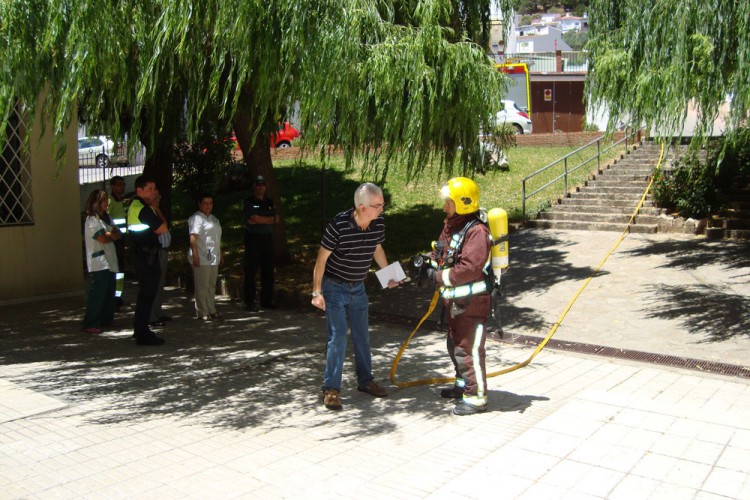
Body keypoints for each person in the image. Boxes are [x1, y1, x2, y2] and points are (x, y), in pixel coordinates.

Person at [312, 182, 400, 411]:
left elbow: (376, 249)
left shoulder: (378, 223)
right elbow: (321, 260)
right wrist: (316, 292)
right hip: (335, 288)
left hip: (358, 287)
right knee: (338, 337)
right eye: (377, 205)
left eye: (382, 204)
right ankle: (331, 389)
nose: (382, 209)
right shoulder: (339, 225)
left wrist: (388, 274)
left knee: (363, 337)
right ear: (362, 207)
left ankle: (366, 381)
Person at [427, 177, 492, 416]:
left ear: (462, 203)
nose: (445, 205)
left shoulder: (476, 231)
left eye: (449, 201)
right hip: (456, 302)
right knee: (454, 345)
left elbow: (469, 268)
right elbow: (441, 252)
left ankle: (476, 398)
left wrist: (438, 277)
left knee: (469, 349)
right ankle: (463, 386)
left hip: (472, 303)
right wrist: (428, 264)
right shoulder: (452, 226)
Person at [127, 175, 168, 346]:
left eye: (154, 188)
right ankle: (143, 333)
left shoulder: (140, 206)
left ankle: (140, 329)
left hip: (144, 256)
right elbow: (163, 228)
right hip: (146, 257)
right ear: (139, 190)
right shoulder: (142, 208)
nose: (153, 192)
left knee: (145, 294)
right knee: (147, 295)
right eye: (149, 189)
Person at [82, 189, 122, 334]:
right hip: (99, 262)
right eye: (104, 200)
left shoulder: (107, 218)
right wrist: (112, 235)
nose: (107, 203)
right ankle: (91, 322)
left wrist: (110, 235)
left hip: (109, 260)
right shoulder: (92, 220)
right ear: (97, 203)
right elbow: (103, 239)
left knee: (109, 292)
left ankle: (106, 320)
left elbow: (118, 233)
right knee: (98, 294)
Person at [243, 175, 279, 312]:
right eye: (258, 185)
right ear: (254, 187)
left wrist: (261, 220)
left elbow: (276, 219)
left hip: (267, 238)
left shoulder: (269, 202)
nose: (260, 187)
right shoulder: (249, 202)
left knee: (268, 270)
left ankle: (267, 300)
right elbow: (253, 218)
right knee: (251, 271)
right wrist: (267, 219)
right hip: (253, 239)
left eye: (262, 184)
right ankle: (250, 301)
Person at [189, 193, 223, 320]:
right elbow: (193, 236)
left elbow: (216, 238)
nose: (208, 206)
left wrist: (220, 253)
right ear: (199, 204)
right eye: (205, 203)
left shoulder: (214, 219)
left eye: (210, 203)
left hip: (213, 256)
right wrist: (195, 255)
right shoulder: (197, 218)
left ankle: (211, 308)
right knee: (202, 285)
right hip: (202, 255)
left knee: (211, 284)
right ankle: (202, 311)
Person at [149, 188, 172, 327]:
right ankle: (152, 316)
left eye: (159, 197)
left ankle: (157, 313)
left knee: (160, 284)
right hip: (156, 251)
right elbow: (160, 228)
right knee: (154, 285)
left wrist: (158, 210)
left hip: (163, 250)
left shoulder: (155, 211)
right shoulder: (148, 212)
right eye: (155, 197)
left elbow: (165, 225)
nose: (158, 199)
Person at [107, 176, 128, 308]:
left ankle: (118, 296)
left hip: (121, 241)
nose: (122, 187)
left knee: (120, 269)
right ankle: (112, 297)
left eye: (123, 185)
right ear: (112, 186)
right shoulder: (110, 201)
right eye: (119, 185)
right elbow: (106, 219)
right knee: (115, 269)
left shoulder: (121, 201)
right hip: (114, 242)